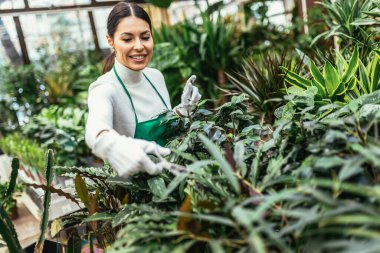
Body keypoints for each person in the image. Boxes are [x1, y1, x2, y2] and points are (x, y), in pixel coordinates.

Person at [85, 2, 201, 178]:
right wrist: (109, 145)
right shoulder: (104, 88)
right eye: (127, 39)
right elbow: (95, 129)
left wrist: (183, 111)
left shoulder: (156, 76)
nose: (139, 46)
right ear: (110, 41)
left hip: (176, 178)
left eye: (145, 37)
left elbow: (163, 128)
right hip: (138, 193)